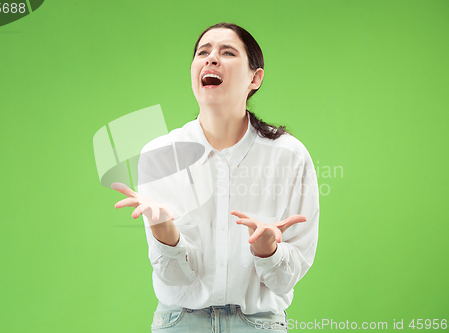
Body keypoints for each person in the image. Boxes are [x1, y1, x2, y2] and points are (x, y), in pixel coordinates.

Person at [112, 22, 319, 332]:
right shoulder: (162, 155)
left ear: (255, 77)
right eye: (203, 52)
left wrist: (268, 250)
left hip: (259, 324)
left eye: (227, 52)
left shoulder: (288, 154)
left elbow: (287, 277)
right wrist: (164, 233)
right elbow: (176, 277)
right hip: (180, 322)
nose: (211, 59)